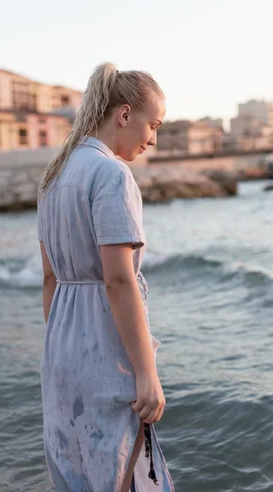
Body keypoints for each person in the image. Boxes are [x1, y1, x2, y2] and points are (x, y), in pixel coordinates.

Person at [37, 63, 175, 491]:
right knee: (123, 474)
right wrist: (146, 372)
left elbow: (49, 279)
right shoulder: (111, 174)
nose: (153, 139)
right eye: (152, 125)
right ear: (124, 114)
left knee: (77, 476)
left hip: (60, 354)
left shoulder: (53, 176)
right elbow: (119, 281)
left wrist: (66, 346)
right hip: (106, 355)